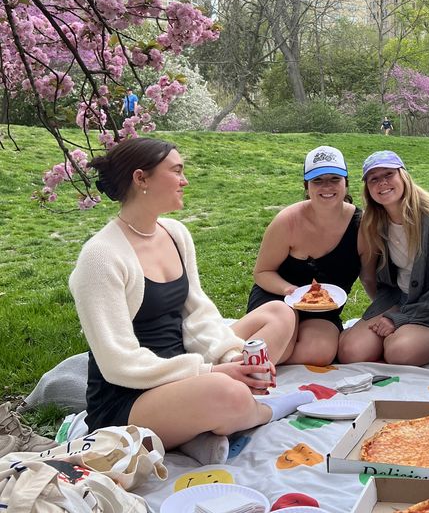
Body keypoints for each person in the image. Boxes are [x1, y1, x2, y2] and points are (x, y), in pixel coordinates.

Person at [70, 138, 303, 464]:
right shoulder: (101, 256)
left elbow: (198, 313)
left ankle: (198, 430)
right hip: (129, 398)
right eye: (176, 171)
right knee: (227, 392)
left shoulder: (175, 233)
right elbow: (118, 361)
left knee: (279, 313)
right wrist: (212, 371)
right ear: (141, 179)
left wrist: (233, 356)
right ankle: (260, 411)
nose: (185, 180)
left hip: (186, 371)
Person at [247, 145, 365, 365]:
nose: (326, 187)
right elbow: (262, 272)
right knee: (282, 343)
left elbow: (370, 277)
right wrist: (289, 291)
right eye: (317, 180)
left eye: (334, 179)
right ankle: (256, 360)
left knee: (320, 352)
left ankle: (266, 360)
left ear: (346, 183)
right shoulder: (288, 221)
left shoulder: (362, 225)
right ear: (306, 186)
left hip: (323, 309)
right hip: (277, 299)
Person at [338, 151, 429, 366]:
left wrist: (399, 320)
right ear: (368, 188)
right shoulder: (373, 223)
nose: (382, 183)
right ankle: (402, 335)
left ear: (403, 177)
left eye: (388, 174)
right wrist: (386, 312)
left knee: (398, 352)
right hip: (397, 300)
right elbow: (370, 276)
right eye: (374, 179)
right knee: (350, 352)